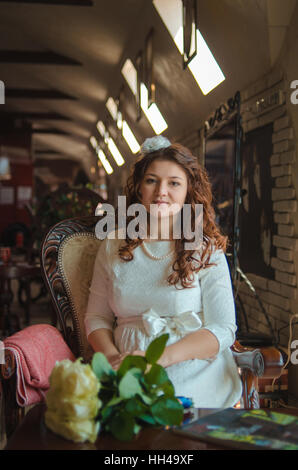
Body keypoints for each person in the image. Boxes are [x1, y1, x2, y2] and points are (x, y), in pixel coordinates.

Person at [84, 136, 243, 408]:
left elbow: (223, 328)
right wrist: (114, 361)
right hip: (127, 374)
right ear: (139, 188)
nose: (161, 192)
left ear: (188, 191)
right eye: (151, 180)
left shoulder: (205, 249)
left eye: (174, 183)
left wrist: (156, 359)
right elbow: (96, 317)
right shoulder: (113, 245)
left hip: (194, 372)